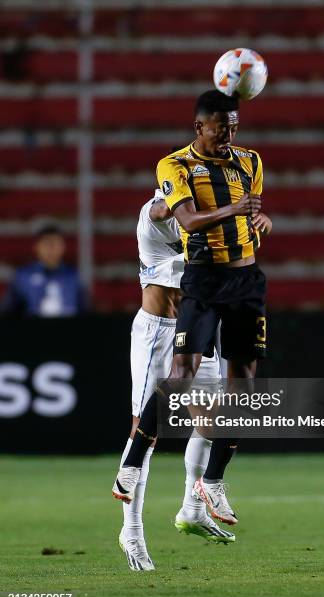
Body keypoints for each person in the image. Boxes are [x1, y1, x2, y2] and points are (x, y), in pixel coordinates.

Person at [113, 89, 271, 528]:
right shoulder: (175, 165)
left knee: (244, 389)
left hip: (245, 280)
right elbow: (186, 220)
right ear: (200, 127)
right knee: (179, 374)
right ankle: (132, 460)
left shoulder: (251, 162)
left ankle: (213, 482)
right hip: (202, 279)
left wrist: (260, 221)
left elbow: (249, 221)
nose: (229, 135)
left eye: (234, 127)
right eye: (221, 128)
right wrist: (236, 208)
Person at [116, 188, 241, 572]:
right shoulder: (155, 216)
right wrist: (181, 197)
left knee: (216, 418)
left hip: (194, 331)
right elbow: (158, 211)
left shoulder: (209, 225)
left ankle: (192, 509)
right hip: (157, 333)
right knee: (144, 428)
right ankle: (131, 532)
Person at [1, 224, 86, 316]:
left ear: (63, 247)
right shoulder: (23, 276)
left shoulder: (73, 276)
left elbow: (84, 309)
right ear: (37, 247)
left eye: (55, 244)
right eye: (47, 243)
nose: (51, 249)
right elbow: (9, 311)